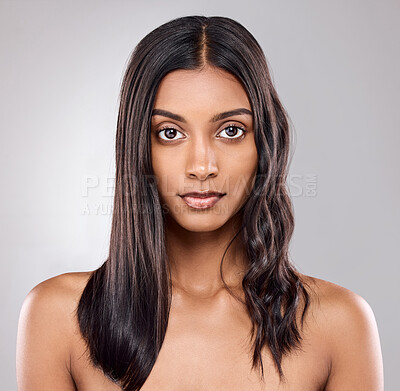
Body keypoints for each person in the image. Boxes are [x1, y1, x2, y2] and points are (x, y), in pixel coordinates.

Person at [16, 15, 384, 391]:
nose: (202, 166)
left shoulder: (340, 325)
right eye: (170, 133)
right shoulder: (59, 318)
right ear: (138, 148)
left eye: (231, 131)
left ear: (265, 145)